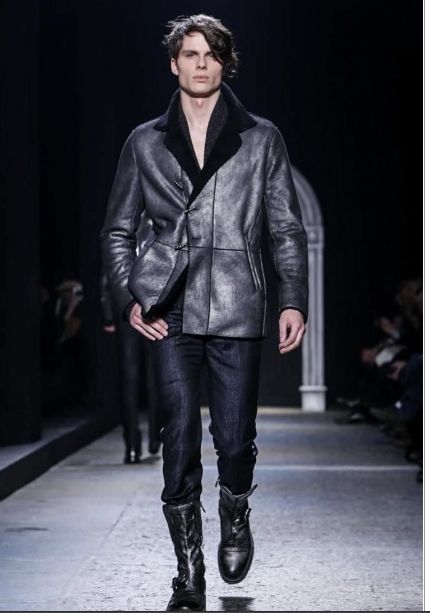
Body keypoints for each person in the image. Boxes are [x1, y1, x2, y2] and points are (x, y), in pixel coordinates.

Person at [101, 14, 308, 611]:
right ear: (174, 63)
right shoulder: (144, 142)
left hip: (239, 303)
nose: (200, 63)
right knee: (179, 437)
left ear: (225, 64)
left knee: (236, 439)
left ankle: (235, 513)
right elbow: (117, 231)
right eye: (190, 54)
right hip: (169, 308)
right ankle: (188, 572)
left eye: (211, 54)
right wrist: (130, 296)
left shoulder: (260, 138)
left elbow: (286, 228)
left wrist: (292, 298)